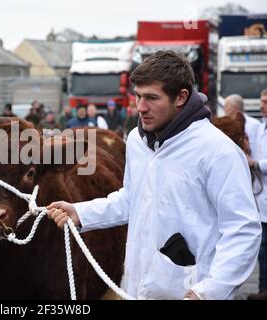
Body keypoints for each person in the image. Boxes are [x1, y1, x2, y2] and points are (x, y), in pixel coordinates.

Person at [47, 50, 262, 300]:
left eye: (151, 98)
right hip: (137, 289)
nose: (140, 107)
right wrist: (81, 213)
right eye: (137, 96)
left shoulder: (218, 151)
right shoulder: (138, 140)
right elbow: (132, 198)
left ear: (181, 97)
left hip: (192, 292)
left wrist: (210, 291)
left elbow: (243, 229)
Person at [246, 88, 267, 300]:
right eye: (261, 102)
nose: (261, 106)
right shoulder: (260, 127)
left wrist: (256, 164)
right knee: (263, 251)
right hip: (262, 198)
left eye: (266, 102)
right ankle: (263, 290)